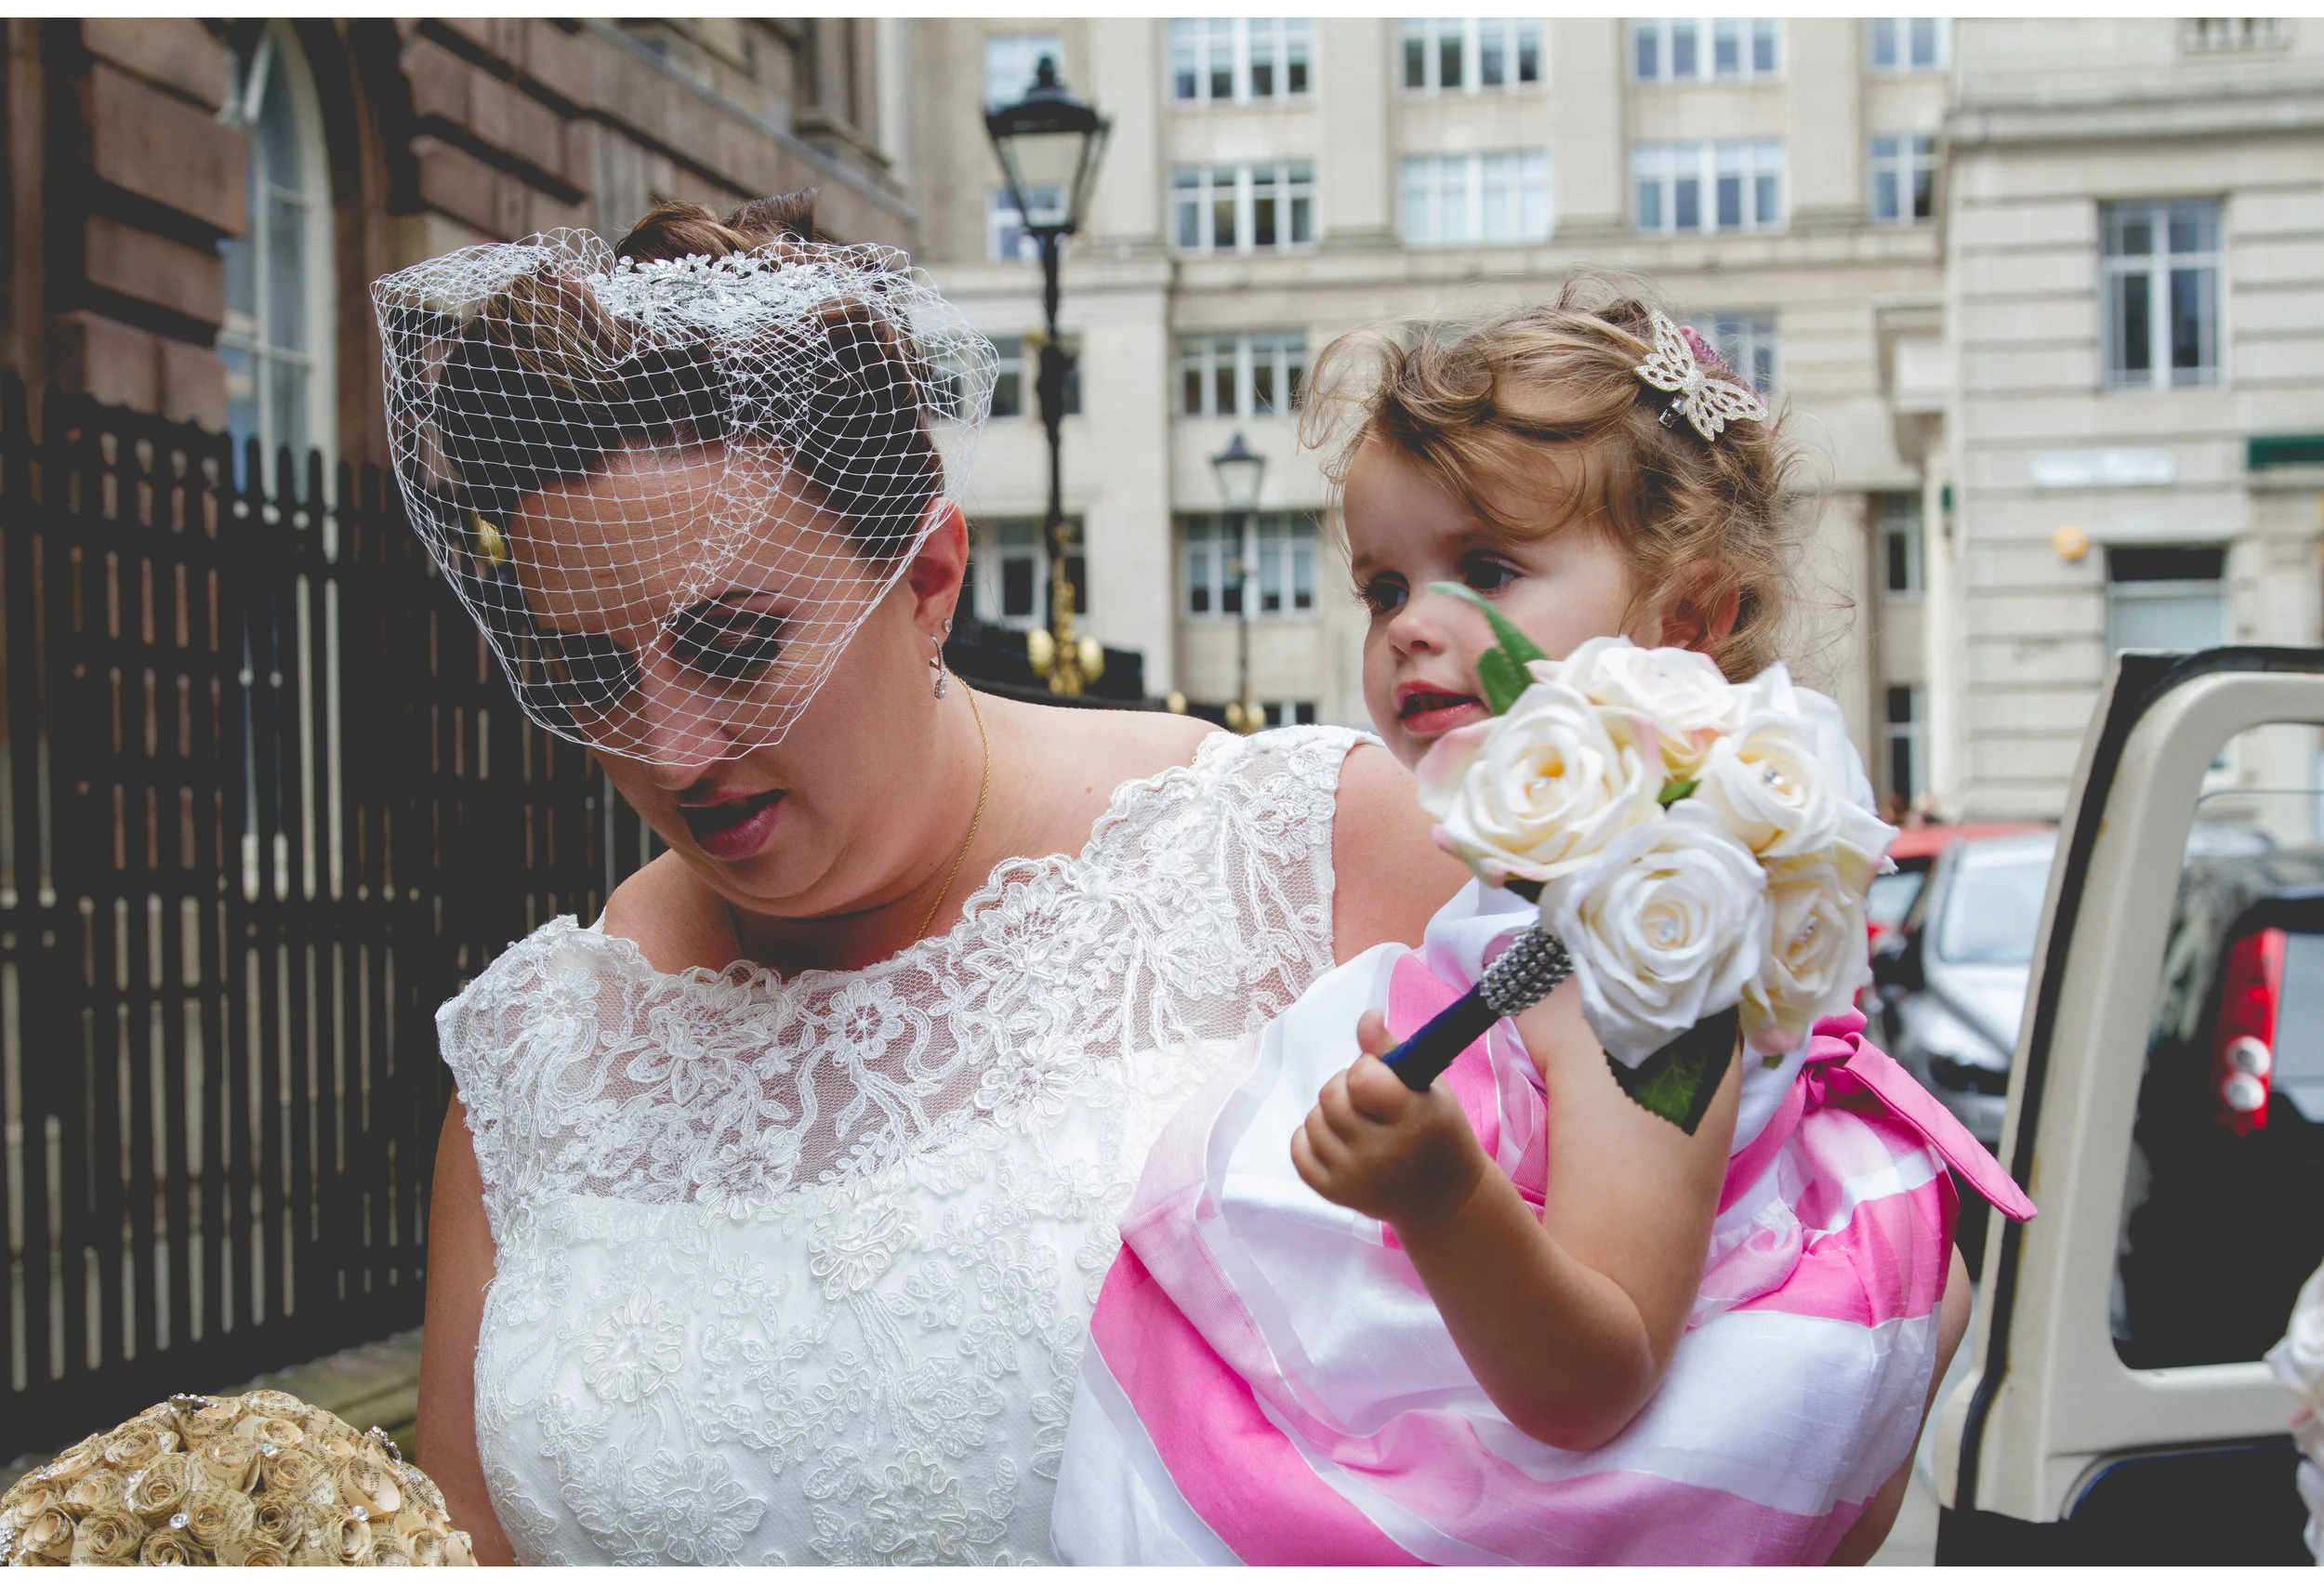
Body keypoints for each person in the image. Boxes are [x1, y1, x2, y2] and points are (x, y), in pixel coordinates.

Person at [386, 193, 1472, 1564]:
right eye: (588, 671)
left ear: (926, 579)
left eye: (732, 643)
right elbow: (457, 1540)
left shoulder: (1310, 862)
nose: (671, 747)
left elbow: (1647, 1401)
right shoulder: (532, 1060)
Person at [1050, 284, 2034, 1565]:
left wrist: (1441, 1192)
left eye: (1488, 567)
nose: (1410, 620)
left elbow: (1594, 1378)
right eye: (1383, 582)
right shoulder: (1548, 906)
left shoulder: (1650, 959)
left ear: (1687, 619)